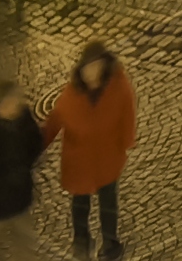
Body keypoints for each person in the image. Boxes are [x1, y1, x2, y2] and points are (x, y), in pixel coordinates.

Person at [41, 39, 137, 260]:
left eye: (94, 67)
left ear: (103, 65)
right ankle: (81, 239)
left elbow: (127, 112)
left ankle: (110, 242)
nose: (90, 73)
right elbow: (56, 119)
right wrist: (38, 143)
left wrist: (125, 143)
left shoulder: (118, 86)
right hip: (80, 158)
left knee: (108, 200)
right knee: (80, 202)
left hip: (107, 155)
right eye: (87, 68)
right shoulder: (72, 92)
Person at [0, 76, 45, 228]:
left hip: (20, 202)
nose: (14, 106)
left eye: (16, 101)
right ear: (0, 105)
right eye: (9, 102)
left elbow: (35, 146)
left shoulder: (24, 123)